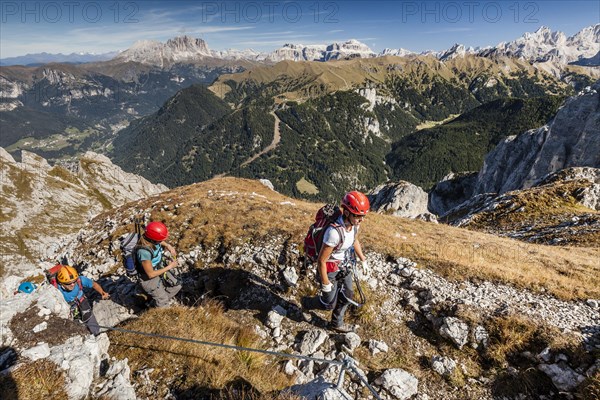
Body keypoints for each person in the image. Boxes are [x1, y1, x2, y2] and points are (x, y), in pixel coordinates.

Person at [304, 191, 371, 333]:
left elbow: (354, 240)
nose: (361, 219)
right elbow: (322, 261)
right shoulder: (333, 233)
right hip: (329, 269)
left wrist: (363, 259)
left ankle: (336, 323)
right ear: (347, 213)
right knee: (328, 303)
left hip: (343, 265)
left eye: (362, 216)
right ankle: (305, 303)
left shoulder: (354, 225)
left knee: (348, 295)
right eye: (358, 216)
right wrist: (325, 282)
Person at [134, 221, 181, 307]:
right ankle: (159, 305)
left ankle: (155, 302)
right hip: (148, 278)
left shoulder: (151, 239)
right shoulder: (144, 252)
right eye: (161, 240)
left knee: (177, 286)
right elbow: (150, 274)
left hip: (158, 267)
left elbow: (159, 241)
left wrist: (168, 246)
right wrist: (170, 266)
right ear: (153, 240)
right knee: (163, 300)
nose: (163, 240)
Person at [56, 265, 109, 335]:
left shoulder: (80, 280)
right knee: (75, 323)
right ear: (61, 283)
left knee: (88, 317)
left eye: (74, 282)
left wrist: (102, 293)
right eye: (68, 283)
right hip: (68, 306)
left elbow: (94, 285)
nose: (72, 284)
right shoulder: (56, 289)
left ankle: (97, 334)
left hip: (81, 300)